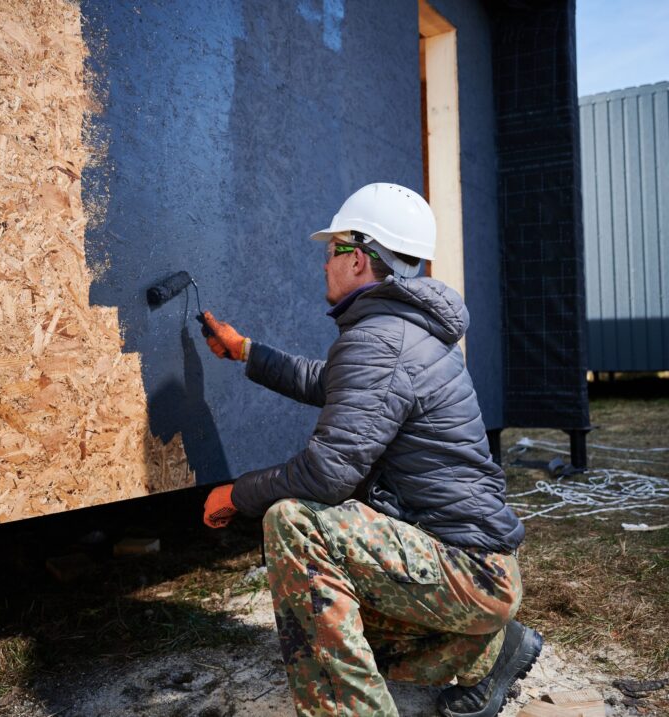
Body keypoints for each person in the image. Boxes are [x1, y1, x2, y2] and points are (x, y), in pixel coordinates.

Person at [198, 183, 541, 717]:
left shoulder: (381, 339)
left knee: (294, 521)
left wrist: (237, 494)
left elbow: (327, 474)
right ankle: (489, 652)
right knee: (341, 637)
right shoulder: (400, 331)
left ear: (356, 258)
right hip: (476, 565)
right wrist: (248, 352)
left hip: (468, 571)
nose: (323, 262)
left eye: (330, 249)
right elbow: (335, 381)